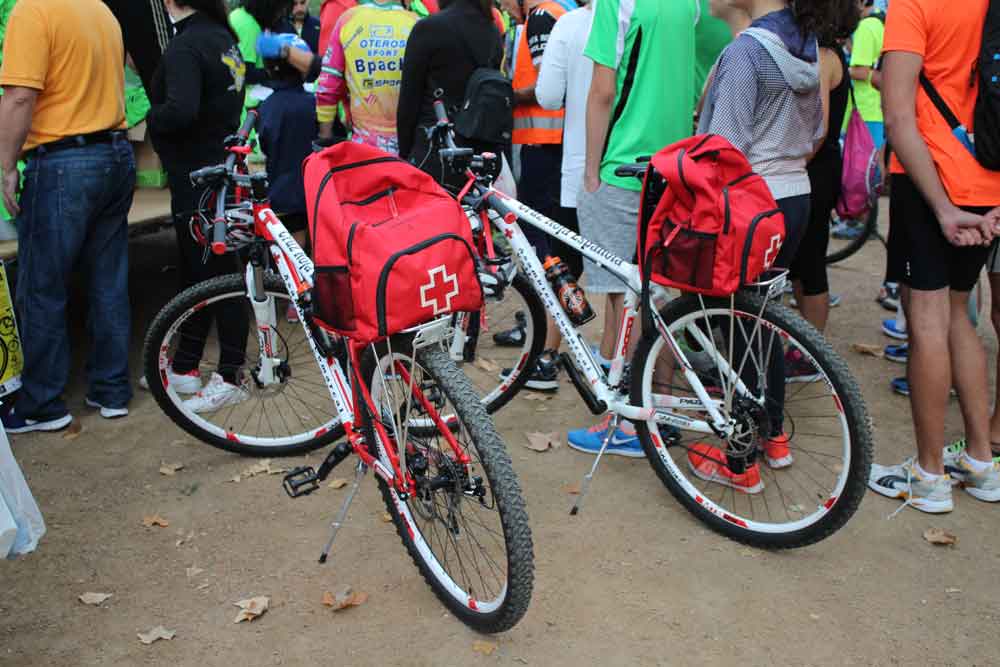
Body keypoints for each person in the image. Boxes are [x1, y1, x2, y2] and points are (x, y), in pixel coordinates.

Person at [691, 0, 846, 488]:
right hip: (793, 193)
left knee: (735, 327)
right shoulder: (804, 42)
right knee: (763, 320)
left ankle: (740, 461)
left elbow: (723, 148)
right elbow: (818, 129)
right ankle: (773, 436)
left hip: (749, 202)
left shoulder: (747, 52)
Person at [868, 0, 1000, 513]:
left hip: (930, 182)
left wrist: (942, 209)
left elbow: (899, 116)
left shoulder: (915, 3)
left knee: (926, 323)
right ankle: (982, 461)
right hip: (986, 180)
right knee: (958, 316)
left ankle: (928, 474)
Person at [567, 0, 700, 457]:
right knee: (660, 297)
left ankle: (623, 422)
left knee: (619, 303)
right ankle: (656, 410)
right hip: (676, 166)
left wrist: (590, 169)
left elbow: (603, 90)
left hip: (624, 167)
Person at [0, 0, 135, 432]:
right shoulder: (100, 10)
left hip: (63, 162)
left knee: (42, 285)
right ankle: (111, 389)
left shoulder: (33, 11)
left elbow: (20, 96)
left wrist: (5, 167)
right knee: (108, 280)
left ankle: (42, 404)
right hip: (115, 152)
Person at [145, 0, 249, 414]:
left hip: (199, 178)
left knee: (219, 277)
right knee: (197, 272)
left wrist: (150, 118)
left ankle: (232, 374)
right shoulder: (223, 38)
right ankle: (185, 365)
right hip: (215, 171)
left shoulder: (187, 46)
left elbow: (180, 109)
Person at [527, 0, 590, 391]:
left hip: (581, 161)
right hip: (648, 166)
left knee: (562, 264)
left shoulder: (568, 23)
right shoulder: (664, 15)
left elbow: (548, 95)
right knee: (629, 282)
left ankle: (547, 357)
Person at [786, 8, 859, 347]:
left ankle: (811, 351)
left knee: (811, 264)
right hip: (819, 170)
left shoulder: (824, 55)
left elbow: (817, 130)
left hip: (814, 172)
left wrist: (791, 164)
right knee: (803, 264)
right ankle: (806, 347)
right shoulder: (832, 52)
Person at [397, 0, 504, 185]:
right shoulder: (491, 30)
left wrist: (405, 154)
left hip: (437, 151)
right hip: (481, 154)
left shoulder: (429, 28)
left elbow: (409, 101)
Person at [316, 0, 417, 154]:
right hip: (409, 150)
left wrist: (325, 138)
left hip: (363, 152)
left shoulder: (347, 20)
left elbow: (327, 86)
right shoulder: (416, 23)